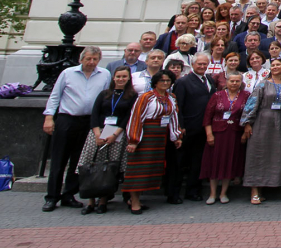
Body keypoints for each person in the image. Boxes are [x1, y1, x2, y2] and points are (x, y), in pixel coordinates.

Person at [42, 46, 112, 213]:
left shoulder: (104, 74)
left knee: (78, 161)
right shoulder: (68, 73)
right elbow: (55, 96)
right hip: (67, 119)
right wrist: (49, 117)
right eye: (88, 59)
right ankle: (52, 197)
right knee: (59, 160)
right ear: (81, 59)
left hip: (89, 121)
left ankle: (69, 195)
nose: (91, 62)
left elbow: (106, 99)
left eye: (95, 59)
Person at [77, 66, 137, 214]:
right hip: (99, 132)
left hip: (117, 135)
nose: (121, 79)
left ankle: (103, 200)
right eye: (118, 76)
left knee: (108, 167)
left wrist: (115, 135)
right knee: (90, 164)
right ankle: (90, 201)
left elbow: (128, 117)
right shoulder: (104, 94)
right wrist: (98, 134)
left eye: (124, 77)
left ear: (129, 78)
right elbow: (95, 113)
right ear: (113, 78)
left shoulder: (132, 96)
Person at [123, 70, 182, 213]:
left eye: (168, 81)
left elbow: (173, 117)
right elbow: (136, 118)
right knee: (138, 169)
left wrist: (176, 136)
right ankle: (134, 200)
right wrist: (133, 140)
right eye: (162, 81)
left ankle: (138, 198)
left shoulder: (171, 97)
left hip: (161, 137)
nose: (165, 83)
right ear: (155, 82)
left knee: (151, 169)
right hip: (145, 136)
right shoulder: (146, 97)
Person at [241, 58, 281, 204]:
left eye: (278, 65)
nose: (275, 67)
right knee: (256, 154)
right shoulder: (262, 83)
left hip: (279, 122)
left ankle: (270, 184)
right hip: (261, 120)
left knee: (275, 154)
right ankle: (254, 189)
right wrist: (247, 123)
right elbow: (252, 103)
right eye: (273, 65)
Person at [170, 53, 215, 203]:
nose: (202, 67)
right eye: (199, 64)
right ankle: (174, 193)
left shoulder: (209, 79)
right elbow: (178, 106)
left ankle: (193, 190)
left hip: (203, 128)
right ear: (193, 65)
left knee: (197, 161)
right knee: (180, 162)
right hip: (187, 127)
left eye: (204, 64)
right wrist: (180, 126)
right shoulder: (183, 82)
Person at [200, 69, 248, 204]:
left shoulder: (246, 95)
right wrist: (209, 134)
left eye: (237, 81)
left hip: (234, 133)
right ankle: (212, 193)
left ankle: (223, 193)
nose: (234, 83)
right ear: (226, 82)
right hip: (217, 133)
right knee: (215, 162)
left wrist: (245, 131)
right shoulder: (217, 95)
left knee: (229, 162)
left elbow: (248, 114)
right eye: (232, 81)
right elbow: (207, 117)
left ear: (241, 82)